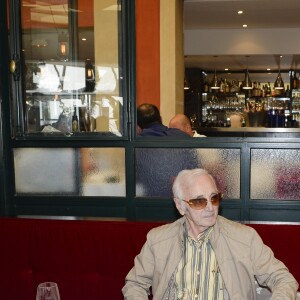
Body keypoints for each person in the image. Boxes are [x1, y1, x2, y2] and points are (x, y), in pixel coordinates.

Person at [122, 168, 298, 299]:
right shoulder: (158, 239)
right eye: (199, 201)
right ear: (180, 205)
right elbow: (135, 284)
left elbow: (283, 279)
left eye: (214, 198)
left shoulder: (245, 238)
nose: (209, 207)